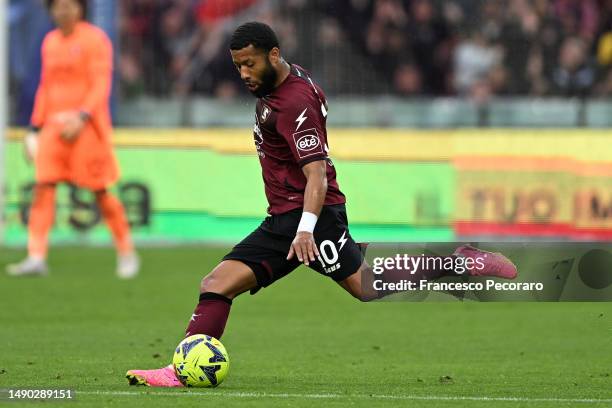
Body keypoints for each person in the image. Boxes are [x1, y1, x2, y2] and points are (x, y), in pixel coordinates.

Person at [125, 22, 517, 387]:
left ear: (273, 55)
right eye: (238, 65)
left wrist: (305, 229)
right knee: (216, 284)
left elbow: (317, 175)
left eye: (250, 63)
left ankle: (459, 261)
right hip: (285, 220)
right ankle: (180, 370)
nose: (243, 73)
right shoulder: (282, 85)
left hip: (309, 218)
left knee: (366, 286)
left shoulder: (294, 104)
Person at [6, 0, 139, 279]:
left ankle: (126, 252)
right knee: (43, 189)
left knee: (101, 191)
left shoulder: (95, 39)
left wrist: (81, 116)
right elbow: (46, 86)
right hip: (53, 127)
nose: (62, 11)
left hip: (86, 127)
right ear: (50, 10)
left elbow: (100, 83)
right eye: (57, 6)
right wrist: (34, 127)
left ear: (79, 9)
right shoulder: (50, 42)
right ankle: (36, 256)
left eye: (68, 5)